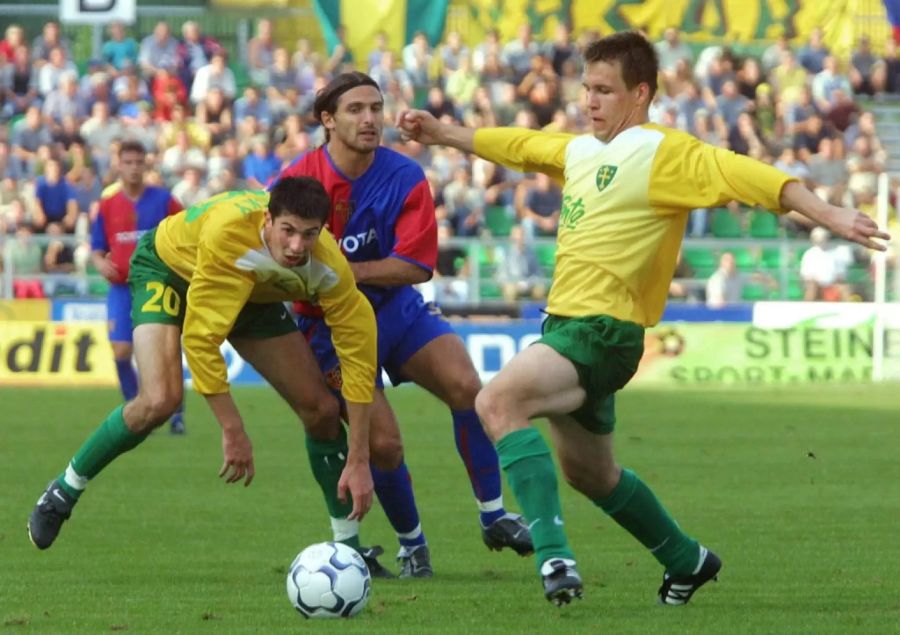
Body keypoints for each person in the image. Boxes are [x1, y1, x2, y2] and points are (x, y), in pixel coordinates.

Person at [397, 31, 889, 605]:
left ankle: (554, 559)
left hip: (603, 332)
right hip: (565, 331)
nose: (589, 101)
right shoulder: (581, 151)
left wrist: (826, 210)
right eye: (586, 89)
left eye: (604, 91)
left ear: (640, 93)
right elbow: (520, 145)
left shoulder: (664, 153)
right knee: (590, 475)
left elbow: (753, 177)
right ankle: (687, 559)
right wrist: (441, 133)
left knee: (496, 402)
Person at [28, 177, 378, 552]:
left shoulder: (331, 269)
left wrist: (359, 457)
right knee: (159, 400)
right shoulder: (229, 235)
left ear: (323, 231)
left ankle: (350, 550)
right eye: (287, 231)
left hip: (250, 291)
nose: (296, 247)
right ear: (267, 220)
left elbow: (357, 360)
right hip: (169, 268)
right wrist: (233, 428)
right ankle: (64, 490)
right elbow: (200, 339)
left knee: (322, 410)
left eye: (308, 235)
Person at [275, 72, 533, 578]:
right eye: (355, 110)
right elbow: (277, 251)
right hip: (329, 327)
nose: (369, 119)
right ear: (327, 120)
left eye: (375, 107)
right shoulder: (298, 179)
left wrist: (346, 273)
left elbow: (416, 266)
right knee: (386, 445)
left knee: (467, 386)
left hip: (395, 309)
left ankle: (494, 516)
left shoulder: (405, 175)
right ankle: (413, 546)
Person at [91, 140, 186, 433]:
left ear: (146, 165)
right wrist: (99, 263)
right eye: (128, 162)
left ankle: (176, 415)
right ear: (118, 165)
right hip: (121, 288)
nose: (133, 168)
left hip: (157, 286)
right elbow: (96, 248)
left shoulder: (165, 201)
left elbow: (185, 233)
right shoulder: (107, 205)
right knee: (120, 352)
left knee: (167, 352)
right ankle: (138, 409)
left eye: (138, 162)